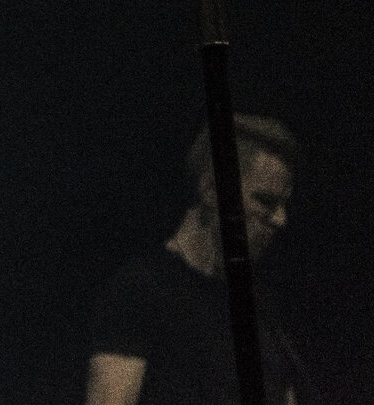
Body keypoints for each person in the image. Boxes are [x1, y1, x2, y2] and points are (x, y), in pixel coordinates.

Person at [87, 115, 312, 405]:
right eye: (265, 201)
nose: (281, 219)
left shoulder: (261, 304)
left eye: (283, 204)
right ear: (210, 188)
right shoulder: (143, 290)